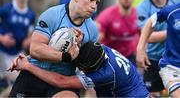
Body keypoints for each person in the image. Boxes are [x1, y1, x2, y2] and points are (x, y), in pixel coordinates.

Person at [9, 0, 101, 97]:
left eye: (97, 2)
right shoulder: (52, 14)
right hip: (35, 73)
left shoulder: (92, 29)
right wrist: (66, 56)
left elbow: (87, 64)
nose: (94, 6)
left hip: (62, 82)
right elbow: (35, 49)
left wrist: (79, 47)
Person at [11, 42, 150, 97]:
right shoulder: (99, 48)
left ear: (93, 68)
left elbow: (61, 82)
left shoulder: (105, 74)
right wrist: (30, 58)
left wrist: (28, 66)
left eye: (83, 68)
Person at [136, 0, 180, 97]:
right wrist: (140, 48)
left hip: (174, 56)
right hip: (154, 58)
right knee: (153, 94)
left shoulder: (177, 0)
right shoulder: (142, 8)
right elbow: (149, 36)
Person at [0, 0, 35, 96]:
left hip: (16, 54)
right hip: (2, 51)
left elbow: (29, 37)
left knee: (19, 84)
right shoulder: (6, 9)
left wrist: (28, 41)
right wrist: (2, 38)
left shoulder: (31, 14)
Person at [96, 0, 139, 66]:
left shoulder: (139, 15)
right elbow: (97, 37)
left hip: (129, 57)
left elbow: (143, 36)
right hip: (109, 56)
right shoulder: (107, 14)